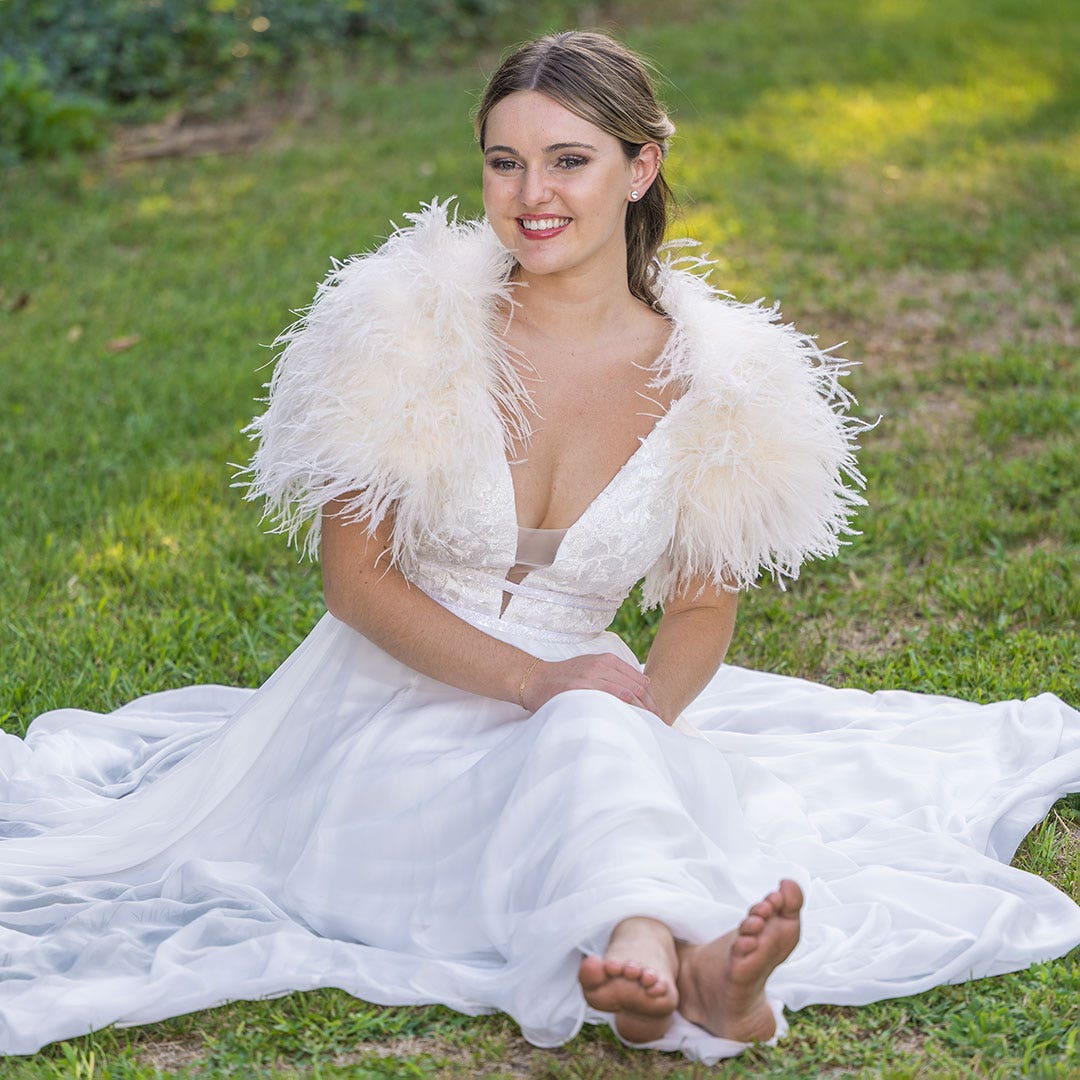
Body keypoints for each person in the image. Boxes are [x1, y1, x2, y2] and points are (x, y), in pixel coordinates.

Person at [1, 30, 1078, 1065]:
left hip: (584, 699)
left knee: (593, 736)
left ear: (641, 167)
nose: (532, 197)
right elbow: (354, 580)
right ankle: (687, 963)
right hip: (382, 702)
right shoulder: (405, 324)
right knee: (579, 725)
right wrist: (542, 683)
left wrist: (644, 714)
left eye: (571, 160)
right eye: (505, 163)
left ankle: (655, 956)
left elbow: (702, 611)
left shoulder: (725, 380)